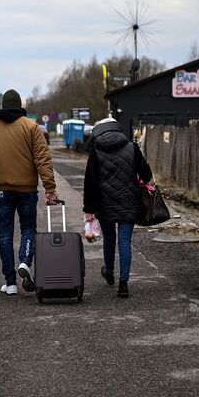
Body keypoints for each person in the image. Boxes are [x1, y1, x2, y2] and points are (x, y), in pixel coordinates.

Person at [0, 89, 58, 295]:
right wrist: (50, 188)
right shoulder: (31, 127)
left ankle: (10, 282)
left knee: (4, 234)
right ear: (19, 104)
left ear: (3, 105)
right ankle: (25, 261)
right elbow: (42, 158)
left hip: (2, 190)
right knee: (28, 228)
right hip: (27, 190)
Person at [82, 117, 153, 298]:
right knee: (124, 241)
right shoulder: (132, 148)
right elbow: (146, 174)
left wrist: (89, 208)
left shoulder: (95, 151)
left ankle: (109, 272)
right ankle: (123, 282)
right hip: (129, 201)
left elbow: (90, 183)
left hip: (104, 203)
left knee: (109, 239)